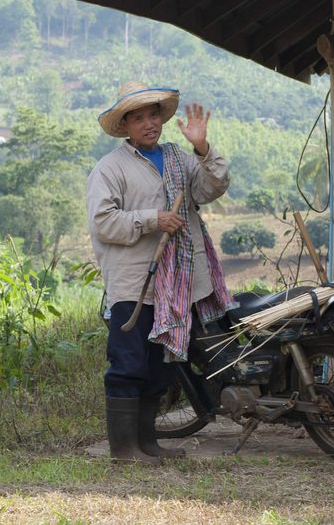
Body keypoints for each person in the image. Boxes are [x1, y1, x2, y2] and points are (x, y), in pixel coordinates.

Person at [86, 81, 236, 464]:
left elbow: (210, 188)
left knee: (161, 366)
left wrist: (201, 148)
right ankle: (123, 448)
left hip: (176, 285)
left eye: (154, 114)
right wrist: (154, 219)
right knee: (129, 363)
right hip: (133, 285)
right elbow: (104, 223)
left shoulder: (179, 159)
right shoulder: (110, 169)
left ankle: (147, 443)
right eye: (139, 117)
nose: (149, 123)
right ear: (126, 125)